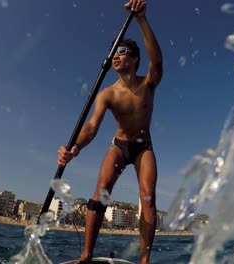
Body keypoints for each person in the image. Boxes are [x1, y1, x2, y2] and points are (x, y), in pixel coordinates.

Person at [57, 0, 162, 263]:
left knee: (148, 195)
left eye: (123, 51)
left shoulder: (147, 83)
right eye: (114, 51)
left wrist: (141, 19)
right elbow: (91, 127)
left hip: (143, 148)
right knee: (100, 191)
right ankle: (86, 255)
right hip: (119, 145)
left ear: (135, 59)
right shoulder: (107, 94)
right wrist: (74, 148)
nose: (116, 55)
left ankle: (145, 260)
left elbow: (157, 60)